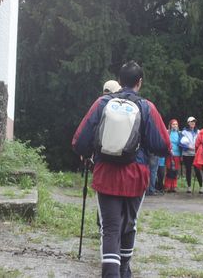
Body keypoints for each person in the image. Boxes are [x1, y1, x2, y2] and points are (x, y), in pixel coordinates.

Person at [72, 61, 171, 277]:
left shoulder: (102, 103)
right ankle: (125, 271)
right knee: (130, 224)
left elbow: (79, 141)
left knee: (110, 228)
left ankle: (111, 274)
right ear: (140, 82)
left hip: (106, 174)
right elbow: (163, 146)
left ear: (119, 81)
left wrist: (91, 152)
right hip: (136, 175)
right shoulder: (147, 107)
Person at [180, 117, 203, 194]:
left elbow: (201, 142)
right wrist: (188, 147)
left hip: (196, 154)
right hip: (187, 154)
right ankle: (189, 186)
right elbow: (181, 143)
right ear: (188, 123)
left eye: (194, 122)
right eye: (191, 122)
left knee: (197, 170)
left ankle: (201, 186)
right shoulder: (184, 132)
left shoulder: (199, 132)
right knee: (188, 170)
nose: (193, 123)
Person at [164, 119, 182, 192]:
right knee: (169, 169)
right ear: (170, 125)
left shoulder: (179, 133)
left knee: (175, 170)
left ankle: (174, 186)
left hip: (177, 154)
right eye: (173, 124)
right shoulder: (167, 133)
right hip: (169, 154)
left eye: (176, 124)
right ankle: (167, 186)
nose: (175, 126)